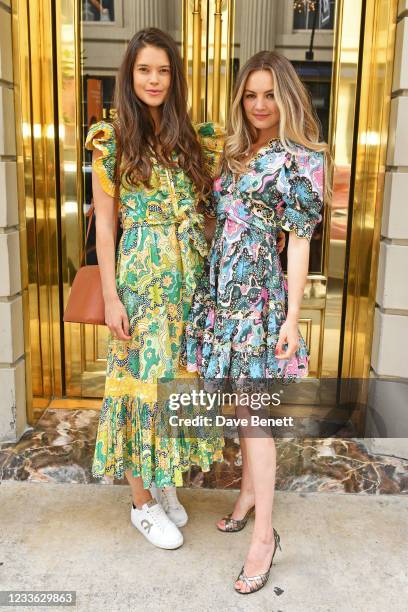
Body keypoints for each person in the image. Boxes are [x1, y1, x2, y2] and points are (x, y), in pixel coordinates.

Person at [183, 50, 330, 593]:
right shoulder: (232, 152)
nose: (260, 105)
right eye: (251, 94)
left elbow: (298, 244)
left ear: (286, 96)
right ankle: (247, 493)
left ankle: (264, 536)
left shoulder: (301, 159)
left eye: (270, 94)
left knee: (254, 417)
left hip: (259, 304)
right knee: (239, 408)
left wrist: (291, 317)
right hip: (220, 295)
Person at [85, 28, 224, 550]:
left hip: (185, 283)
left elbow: (211, 212)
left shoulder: (192, 138)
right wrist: (113, 297)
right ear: (130, 74)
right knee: (135, 389)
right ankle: (140, 502)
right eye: (145, 69)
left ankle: (163, 476)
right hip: (140, 281)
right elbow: (104, 230)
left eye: (163, 70)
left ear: (175, 77)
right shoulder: (111, 140)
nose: (154, 79)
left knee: (172, 387)